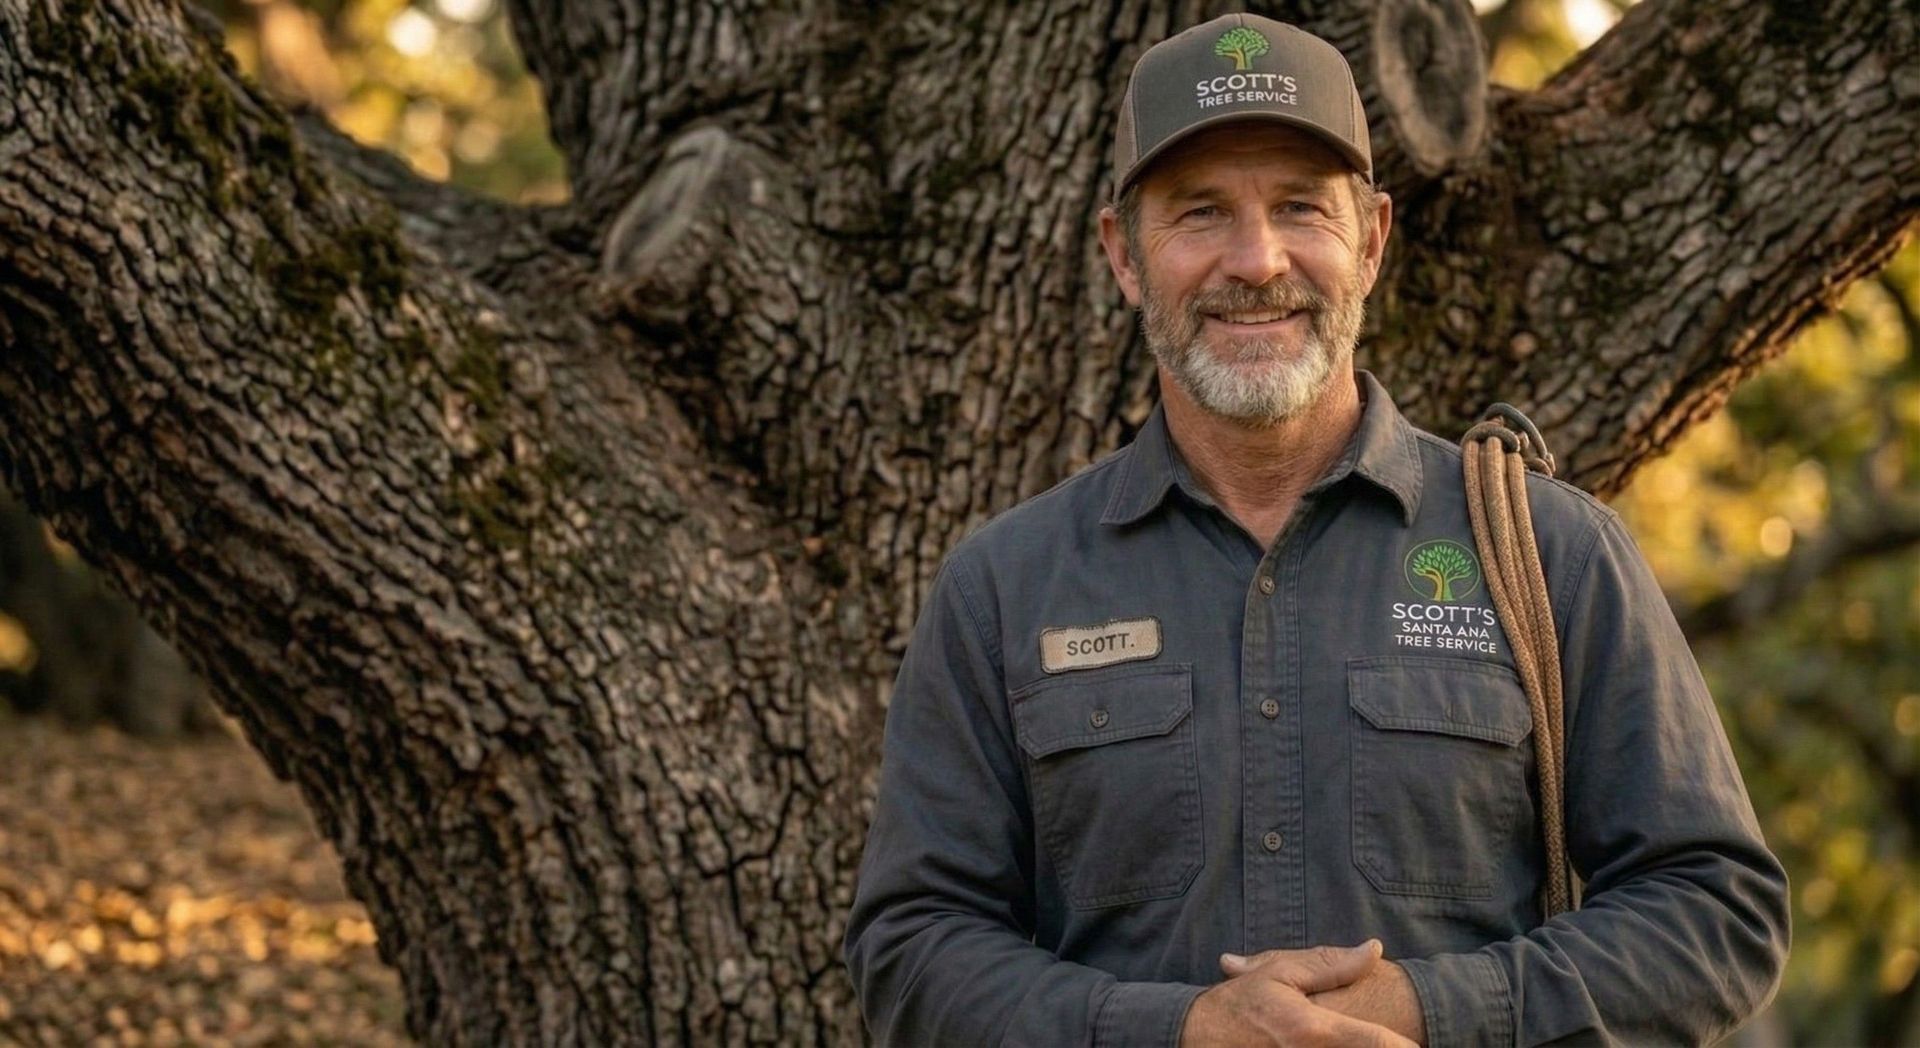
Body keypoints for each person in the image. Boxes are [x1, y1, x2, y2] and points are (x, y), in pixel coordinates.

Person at [841, 12, 1790, 1047]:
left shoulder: (1552, 555)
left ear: (1373, 239)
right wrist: (1178, 1030)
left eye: (1301, 208)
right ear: (1124, 255)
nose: (1256, 260)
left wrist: (1429, 1010)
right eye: (1200, 214)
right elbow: (913, 948)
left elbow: (1715, 908)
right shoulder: (1004, 589)